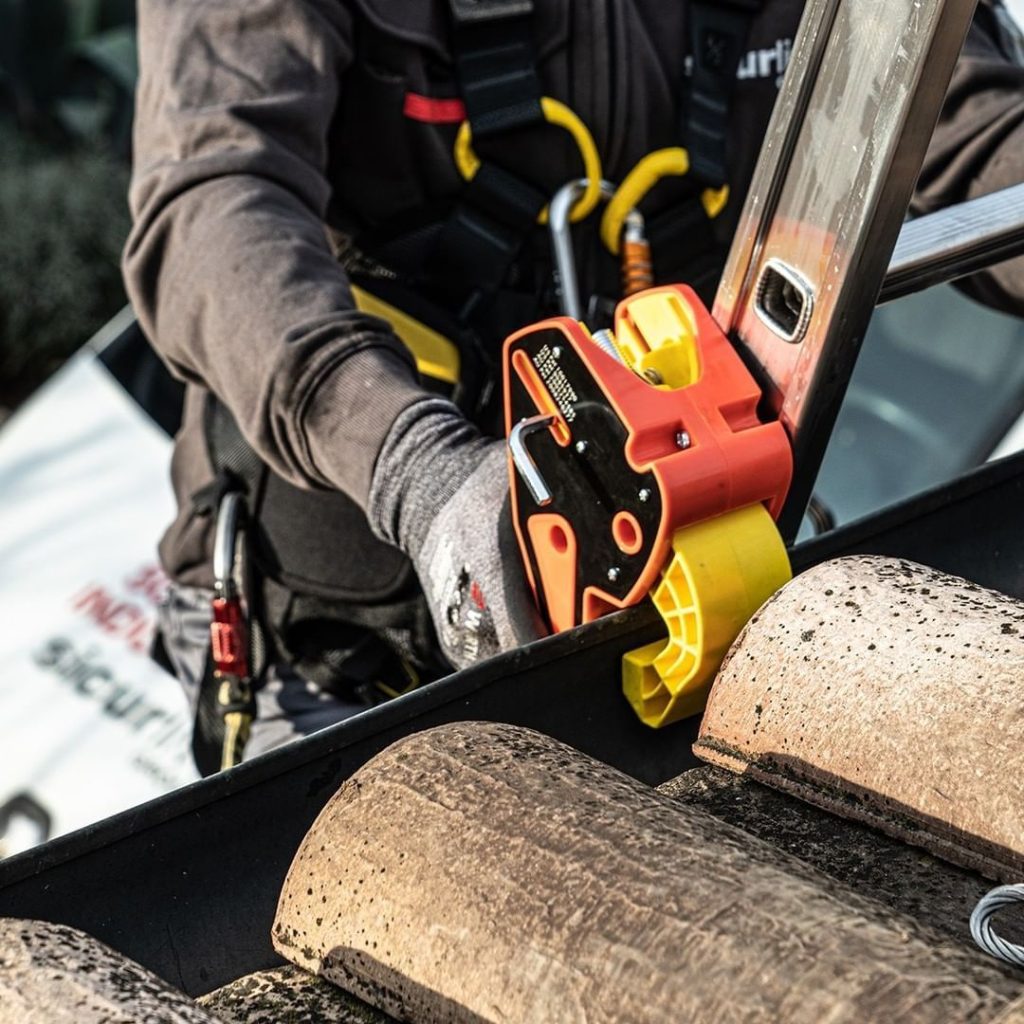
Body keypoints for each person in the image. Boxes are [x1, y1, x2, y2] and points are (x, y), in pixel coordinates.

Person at [124, 0, 1024, 771]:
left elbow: (964, 132)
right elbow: (207, 207)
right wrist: (417, 469)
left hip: (668, 619)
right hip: (345, 639)